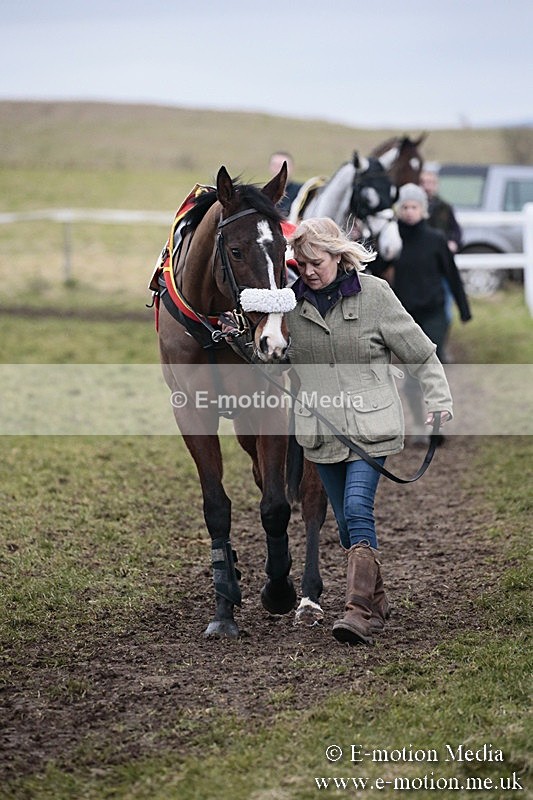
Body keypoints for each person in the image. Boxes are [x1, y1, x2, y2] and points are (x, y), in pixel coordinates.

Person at [286, 217, 453, 646]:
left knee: (359, 510)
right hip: (322, 434)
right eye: (300, 263)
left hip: (370, 428)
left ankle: (357, 612)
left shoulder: (375, 294)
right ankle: (377, 602)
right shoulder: (289, 306)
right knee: (345, 527)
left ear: (339, 255)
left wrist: (438, 402)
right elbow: (276, 363)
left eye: (315, 261)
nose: (307, 270)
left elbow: (421, 353)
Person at [373, 184, 471, 439]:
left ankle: (435, 426)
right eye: (404, 207)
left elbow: (452, 275)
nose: (409, 212)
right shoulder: (392, 239)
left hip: (434, 312)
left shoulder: (435, 239)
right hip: (405, 316)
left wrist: (464, 308)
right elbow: (376, 270)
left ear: (423, 210)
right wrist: (385, 254)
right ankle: (419, 421)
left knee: (432, 366)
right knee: (412, 377)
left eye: (414, 207)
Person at [420, 166, 463, 254]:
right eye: (423, 182)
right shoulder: (413, 207)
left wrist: (453, 242)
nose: (427, 187)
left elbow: (455, 230)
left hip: (440, 249)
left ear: (436, 185)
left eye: (430, 183)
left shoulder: (445, 207)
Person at [269, 151, 302, 217]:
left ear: (292, 168)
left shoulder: (303, 192)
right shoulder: (261, 194)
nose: (279, 169)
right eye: (275, 165)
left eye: (282, 166)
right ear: (270, 167)